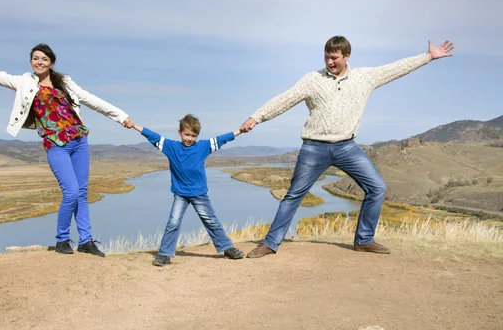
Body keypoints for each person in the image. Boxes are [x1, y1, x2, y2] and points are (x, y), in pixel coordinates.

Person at [241, 37, 455, 258]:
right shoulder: (312, 79)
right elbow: (284, 99)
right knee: (294, 195)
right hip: (314, 147)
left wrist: (428, 56)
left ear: (346, 56)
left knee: (377, 188)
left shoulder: (364, 78)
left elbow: (395, 69)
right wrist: (257, 117)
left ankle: (364, 240)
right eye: (326, 57)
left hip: (347, 147)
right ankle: (270, 244)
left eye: (334, 57)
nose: (330, 62)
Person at [0, 43, 134, 257]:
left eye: (44, 59)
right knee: (71, 192)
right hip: (55, 144)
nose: (39, 62)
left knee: (82, 193)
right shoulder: (24, 82)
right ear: (31, 61)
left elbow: (91, 99)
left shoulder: (64, 82)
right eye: (36, 58)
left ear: (51, 62)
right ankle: (62, 240)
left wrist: (121, 116)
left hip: (79, 141)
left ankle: (86, 241)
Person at [128, 114, 245, 266]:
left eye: (193, 136)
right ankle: (164, 254)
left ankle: (227, 248)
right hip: (181, 194)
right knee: (173, 223)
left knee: (211, 221)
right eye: (187, 134)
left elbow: (222, 138)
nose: (189, 138)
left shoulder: (202, 147)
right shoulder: (171, 147)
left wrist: (240, 131)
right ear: (180, 133)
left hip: (199, 194)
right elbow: (154, 137)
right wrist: (134, 125)